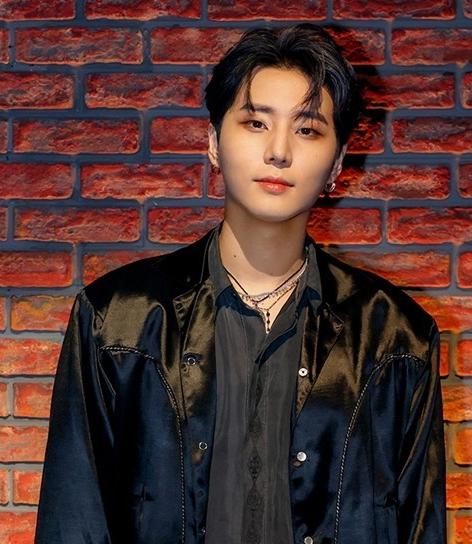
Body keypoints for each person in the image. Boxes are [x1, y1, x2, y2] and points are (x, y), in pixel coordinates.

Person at [35, 24, 446, 544]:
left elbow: (420, 526)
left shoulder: (397, 337)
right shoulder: (117, 319)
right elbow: (73, 517)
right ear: (213, 142)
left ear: (338, 163)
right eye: (255, 122)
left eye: (307, 130)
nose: (278, 151)